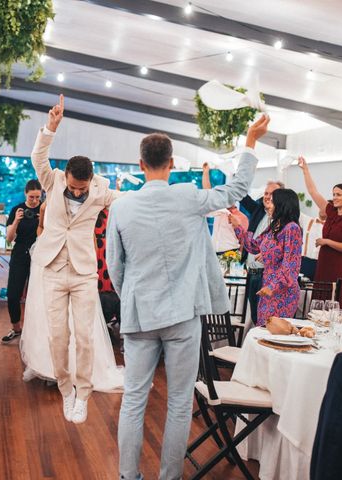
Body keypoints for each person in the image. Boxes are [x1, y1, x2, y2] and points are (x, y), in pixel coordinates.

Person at [107, 114, 269, 480]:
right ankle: (169, 477)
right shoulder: (189, 197)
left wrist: (131, 295)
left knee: (133, 400)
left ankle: (128, 476)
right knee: (180, 403)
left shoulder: (121, 206)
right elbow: (238, 189)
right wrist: (250, 141)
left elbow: (115, 266)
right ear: (173, 163)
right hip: (182, 313)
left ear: (140, 164)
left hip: (139, 313)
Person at [30, 94, 123, 424]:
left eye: (83, 188)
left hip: (84, 273)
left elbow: (128, 202)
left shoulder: (99, 190)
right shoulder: (53, 180)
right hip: (53, 269)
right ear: (66, 175)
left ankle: (83, 394)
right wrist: (50, 129)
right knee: (58, 336)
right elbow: (38, 158)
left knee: (85, 336)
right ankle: (65, 389)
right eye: (75, 187)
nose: (79, 193)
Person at [19, 200, 124, 391]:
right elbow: (41, 229)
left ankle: (74, 370)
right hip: (51, 268)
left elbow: (90, 237)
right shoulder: (45, 206)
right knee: (50, 320)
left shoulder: (83, 208)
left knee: (76, 324)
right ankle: (51, 368)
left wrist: (90, 269)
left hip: (76, 270)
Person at [298, 156, 342, 311]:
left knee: (335, 302)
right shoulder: (331, 211)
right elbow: (313, 191)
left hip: (339, 265)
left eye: (338, 194)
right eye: (333, 194)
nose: (334, 198)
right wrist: (305, 170)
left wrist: (326, 241)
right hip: (324, 264)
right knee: (320, 301)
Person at [231, 189, 303, 326]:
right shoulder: (274, 227)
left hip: (283, 292)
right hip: (267, 287)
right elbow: (253, 246)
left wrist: (273, 286)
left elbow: (291, 265)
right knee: (262, 328)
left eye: (272, 202)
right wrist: (237, 227)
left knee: (274, 333)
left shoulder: (292, 228)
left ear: (282, 205)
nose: (268, 206)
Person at [2, 179, 43, 343]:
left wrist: (43, 220)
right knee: (12, 295)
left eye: (37, 197)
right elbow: (9, 239)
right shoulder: (16, 210)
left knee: (37, 296)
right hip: (19, 254)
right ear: (25, 194)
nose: (34, 201)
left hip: (39, 256)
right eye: (31, 197)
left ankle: (35, 333)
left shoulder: (44, 209)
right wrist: (17, 220)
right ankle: (16, 328)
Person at [239, 180, 284, 323]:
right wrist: (238, 177)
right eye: (266, 193)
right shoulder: (258, 209)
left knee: (265, 320)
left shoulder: (283, 220)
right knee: (255, 317)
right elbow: (242, 196)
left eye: (273, 194)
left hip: (267, 275)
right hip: (251, 273)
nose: (268, 196)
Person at [202, 162, 248, 254]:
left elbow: (245, 241)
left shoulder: (242, 217)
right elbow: (208, 193)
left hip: (231, 253)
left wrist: (239, 260)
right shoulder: (219, 210)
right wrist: (206, 172)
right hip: (214, 253)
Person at [299, 211, 326, 280]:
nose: (323, 210)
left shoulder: (332, 227)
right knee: (302, 287)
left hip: (321, 264)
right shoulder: (307, 220)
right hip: (304, 261)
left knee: (316, 288)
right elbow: (294, 210)